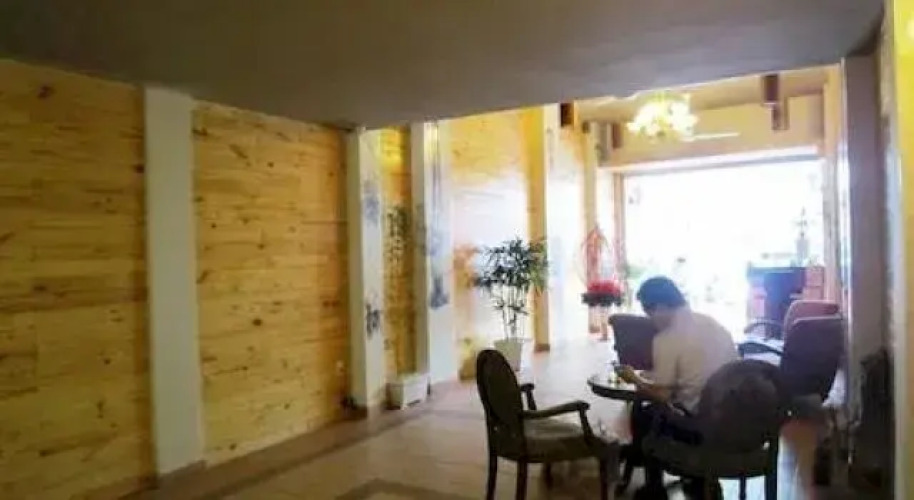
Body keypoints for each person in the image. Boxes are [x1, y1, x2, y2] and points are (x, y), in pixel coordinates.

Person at [616, 276, 738, 500]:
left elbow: (663, 394)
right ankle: (698, 479)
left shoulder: (666, 338)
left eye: (649, 311)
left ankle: (654, 488)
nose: (650, 319)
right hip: (733, 420)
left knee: (645, 412)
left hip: (697, 426)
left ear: (662, 306)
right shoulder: (714, 325)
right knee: (668, 405)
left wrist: (634, 379)